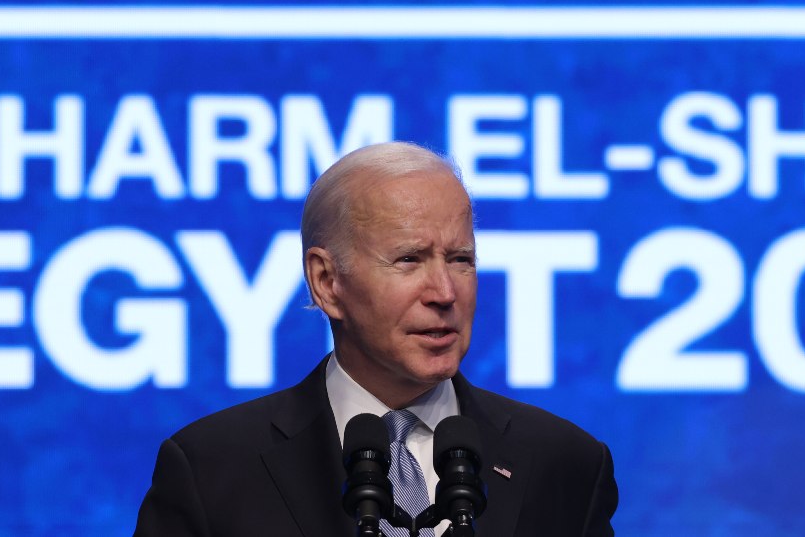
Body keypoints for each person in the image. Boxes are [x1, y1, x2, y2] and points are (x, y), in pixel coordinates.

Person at [134, 141, 618, 536]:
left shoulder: (565, 464)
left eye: (460, 259)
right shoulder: (212, 470)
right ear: (327, 282)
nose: (445, 292)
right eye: (409, 259)